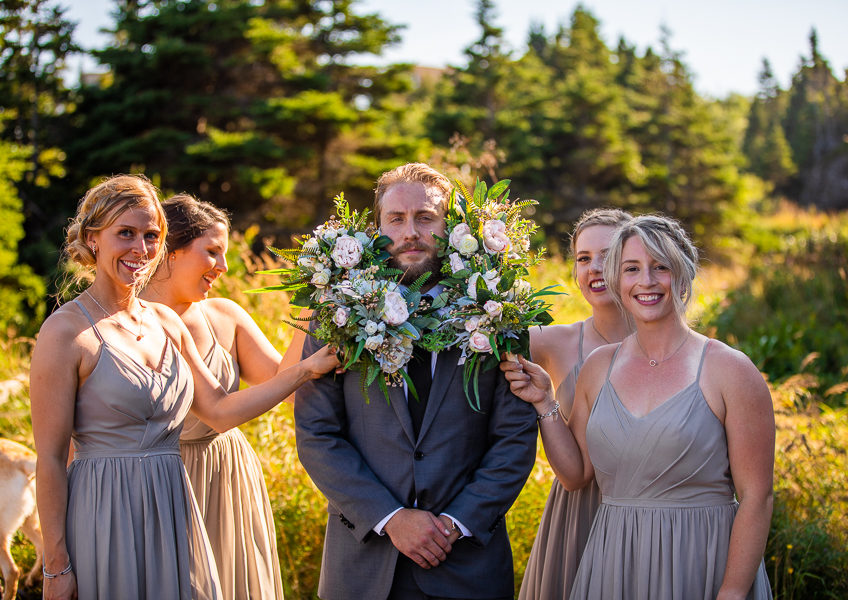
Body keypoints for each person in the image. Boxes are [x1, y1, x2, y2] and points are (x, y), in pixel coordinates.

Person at [30, 175, 340, 600]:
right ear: (92, 239)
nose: (140, 249)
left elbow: (220, 410)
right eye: (126, 233)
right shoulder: (64, 332)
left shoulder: (166, 323)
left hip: (176, 507)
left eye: (151, 235)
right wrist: (55, 564)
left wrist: (306, 368)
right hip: (106, 513)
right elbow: (49, 458)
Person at [294, 163, 538, 600]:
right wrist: (391, 517)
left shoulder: (499, 313)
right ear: (376, 228)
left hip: (466, 564)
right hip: (364, 566)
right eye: (397, 219)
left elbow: (514, 437)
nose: (411, 232)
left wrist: (454, 524)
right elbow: (317, 433)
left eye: (426, 218)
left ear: (451, 227)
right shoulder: (336, 314)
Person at [502, 214, 774, 599]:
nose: (646, 281)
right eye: (632, 269)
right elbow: (575, 475)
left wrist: (731, 592)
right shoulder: (598, 368)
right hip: (612, 562)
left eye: (660, 267)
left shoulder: (730, 369)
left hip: (699, 561)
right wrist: (545, 402)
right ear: (617, 279)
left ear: (682, 275)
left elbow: (757, 497)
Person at [141, 194, 300, 600]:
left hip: (228, 476)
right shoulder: (125, 324)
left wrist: (313, 309)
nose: (224, 268)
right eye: (212, 252)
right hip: (159, 481)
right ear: (169, 250)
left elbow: (289, 389)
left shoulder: (226, 316)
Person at [512, 208, 633, 600]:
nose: (594, 268)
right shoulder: (553, 342)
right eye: (583, 259)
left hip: (654, 508)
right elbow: (463, 335)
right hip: (579, 513)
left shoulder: (684, 349)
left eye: (608, 254)